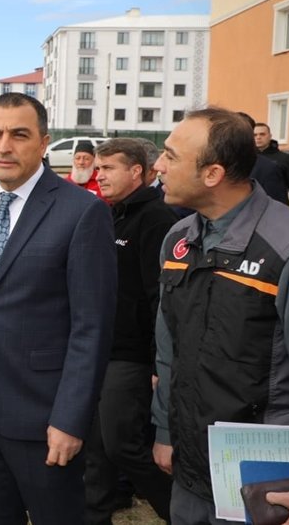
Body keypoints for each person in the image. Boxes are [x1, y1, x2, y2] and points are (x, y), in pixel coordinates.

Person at [151, 107, 289, 523]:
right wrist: (165, 431)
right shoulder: (179, 239)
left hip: (268, 479)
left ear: (212, 174)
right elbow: (170, 349)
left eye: (171, 156)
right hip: (191, 473)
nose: (158, 166)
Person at [0, 92, 117, 525]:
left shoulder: (83, 212)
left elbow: (91, 327)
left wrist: (70, 419)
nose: (4, 146)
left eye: (19, 134)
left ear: (44, 142)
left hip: (43, 410)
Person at [81, 138, 176, 524]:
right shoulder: (112, 213)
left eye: (108, 168)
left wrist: (157, 361)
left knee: (123, 444)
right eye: (97, 168)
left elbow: (160, 298)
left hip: (132, 355)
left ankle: (184, 512)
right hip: (101, 348)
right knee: (96, 445)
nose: (99, 175)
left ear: (136, 171)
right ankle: (95, 514)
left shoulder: (156, 219)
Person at [254, 122, 289, 214]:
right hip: (252, 210)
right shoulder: (245, 158)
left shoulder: (284, 159)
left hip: (278, 210)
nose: (258, 137)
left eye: (262, 134)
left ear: (270, 136)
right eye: (255, 135)